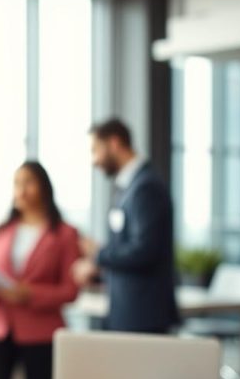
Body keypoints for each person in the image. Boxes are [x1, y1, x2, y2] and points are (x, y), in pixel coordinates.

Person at [0, 161, 81, 379]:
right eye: (17, 183)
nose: (21, 190)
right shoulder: (2, 230)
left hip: (41, 332)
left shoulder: (65, 234)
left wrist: (29, 294)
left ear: (44, 188)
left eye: (28, 182)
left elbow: (70, 290)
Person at [72, 118, 179, 334]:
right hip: (128, 311)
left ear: (114, 143)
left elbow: (145, 250)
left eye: (96, 150)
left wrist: (99, 255)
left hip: (143, 314)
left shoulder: (146, 187)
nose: (94, 161)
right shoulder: (128, 187)